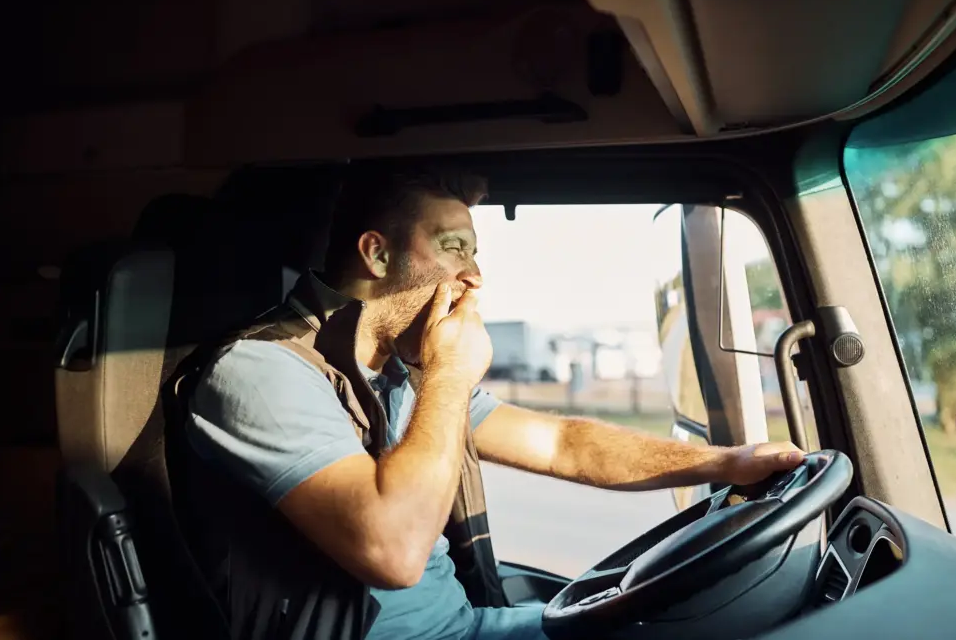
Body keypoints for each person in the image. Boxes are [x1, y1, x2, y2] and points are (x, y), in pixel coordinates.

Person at [186, 165, 804, 640]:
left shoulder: (403, 372)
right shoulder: (261, 368)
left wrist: (728, 463)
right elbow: (393, 550)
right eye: (454, 247)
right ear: (376, 254)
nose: (475, 275)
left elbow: (564, 444)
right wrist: (452, 373)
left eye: (475, 252)